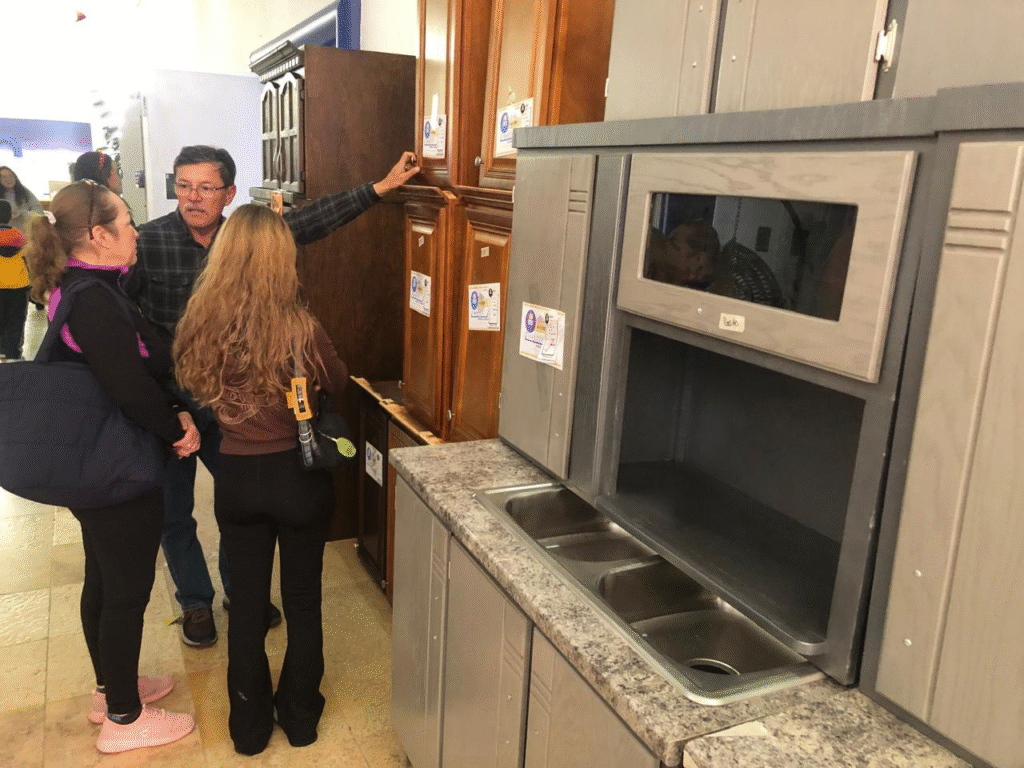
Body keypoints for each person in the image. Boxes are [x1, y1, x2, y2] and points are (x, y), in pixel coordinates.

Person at [124, 145, 419, 648]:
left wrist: (380, 188)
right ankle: (195, 603)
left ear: (229, 194)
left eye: (206, 188)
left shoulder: (246, 237)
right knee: (174, 512)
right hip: (170, 403)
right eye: (183, 186)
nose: (192, 197)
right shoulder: (147, 242)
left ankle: (243, 595)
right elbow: (125, 321)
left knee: (239, 508)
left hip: (232, 411)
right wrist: (157, 397)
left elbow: (314, 220)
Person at [21, 180, 199, 754]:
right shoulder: (94, 299)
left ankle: (110, 689)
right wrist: (177, 428)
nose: (135, 232)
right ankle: (124, 718)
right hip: (113, 465)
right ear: (98, 234)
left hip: (95, 463)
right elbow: (129, 389)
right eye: (126, 221)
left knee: (103, 576)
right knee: (126, 590)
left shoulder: (85, 284)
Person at [173, 204, 347, 755]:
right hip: (298, 478)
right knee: (303, 600)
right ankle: (300, 717)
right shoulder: (302, 328)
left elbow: (190, 384)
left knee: (246, 607)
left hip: (237, 477)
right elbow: (338, 380)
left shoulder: (202, 321)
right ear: (281, 260)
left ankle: (248, 730)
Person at [0, 200, 29, 359]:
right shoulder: (20, 236)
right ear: (11, 216)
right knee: (16, 319)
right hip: (19, 284)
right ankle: (13, 353)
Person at [0, 165, 44, 232]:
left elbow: (39, 212)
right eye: (4, 177)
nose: (8, 179)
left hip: (24, 232)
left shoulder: (24, 191)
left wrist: (23, 214)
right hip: (4, 233)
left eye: (11, 176)